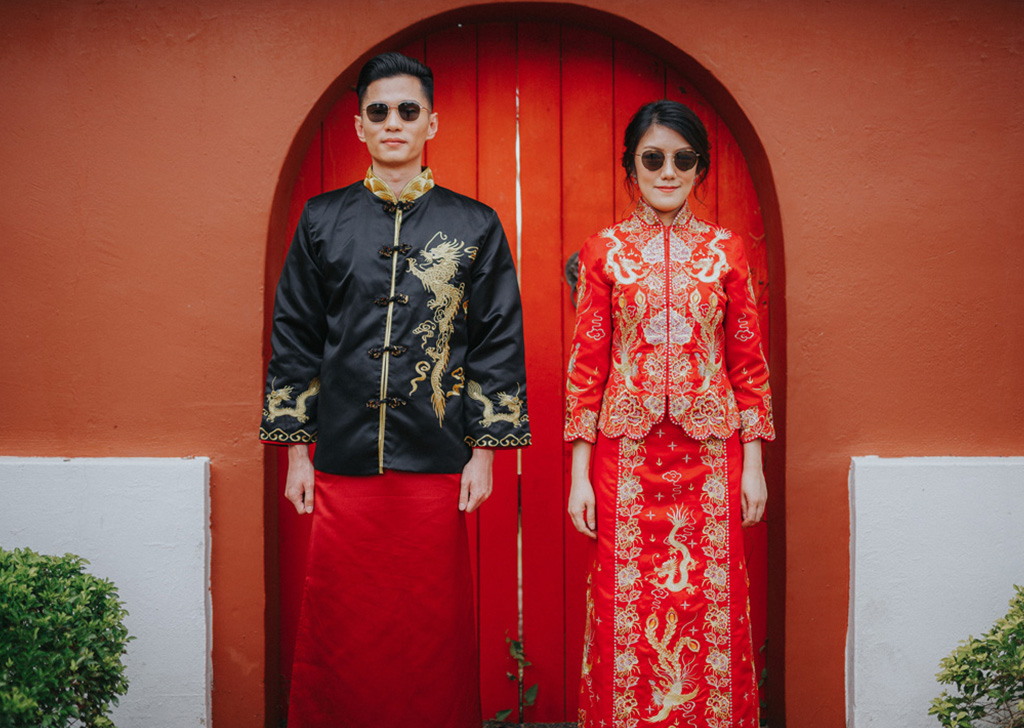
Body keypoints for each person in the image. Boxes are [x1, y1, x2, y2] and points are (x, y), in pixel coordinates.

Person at [260, 52, 530, 728]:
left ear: (430, 121)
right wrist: (297, 451)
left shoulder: (476, 225)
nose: (393, 123)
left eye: (408, 111)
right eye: (378, 112)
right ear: (358, 125)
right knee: (342, 627)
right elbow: (294, 333)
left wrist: (486, 450)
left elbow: (498, 340)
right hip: (344, 460)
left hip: (435, 457)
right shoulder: (322, 220)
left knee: (428, 632)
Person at [564, 99, 774, 728]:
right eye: (652, 158)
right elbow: (586, 368)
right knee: (621, 601)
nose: (667, 170)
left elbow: (748, 366)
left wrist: (754, 465)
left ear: (700, 168)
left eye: (683, 159)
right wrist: (578, 474)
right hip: (625, 458)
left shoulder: (725, 249)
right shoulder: (604, 251)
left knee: (711, 604)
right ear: (631, 165)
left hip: (712, 458)